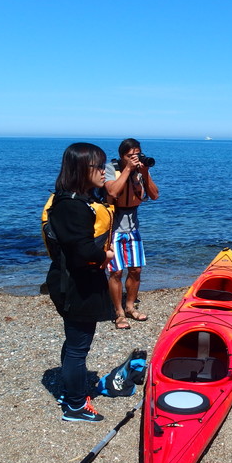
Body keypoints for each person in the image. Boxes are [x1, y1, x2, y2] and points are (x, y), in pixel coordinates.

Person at [45, 142, 115, 422]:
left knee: (74, 341)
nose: (104, 172)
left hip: (74, 282)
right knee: (78, 346)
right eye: (98, 167)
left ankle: (70, 390)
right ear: (80, 169)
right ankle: (74, 405)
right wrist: (106, 253)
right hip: (75, 286)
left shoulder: (73, 199)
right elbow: (81, 250)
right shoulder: (72, 206)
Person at [103, 138, 160, 329]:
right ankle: (118, 312)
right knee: (116, 271)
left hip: (133, 226)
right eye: (130, 156)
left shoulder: (141, 171)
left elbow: (154, 195)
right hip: (113, 227)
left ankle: (130, 307)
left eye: (136, 155)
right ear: (122, 156)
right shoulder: (111, 168)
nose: (134, 159)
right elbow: (112, 191)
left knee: (136, 270)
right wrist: (127, 169)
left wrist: (144, 173)